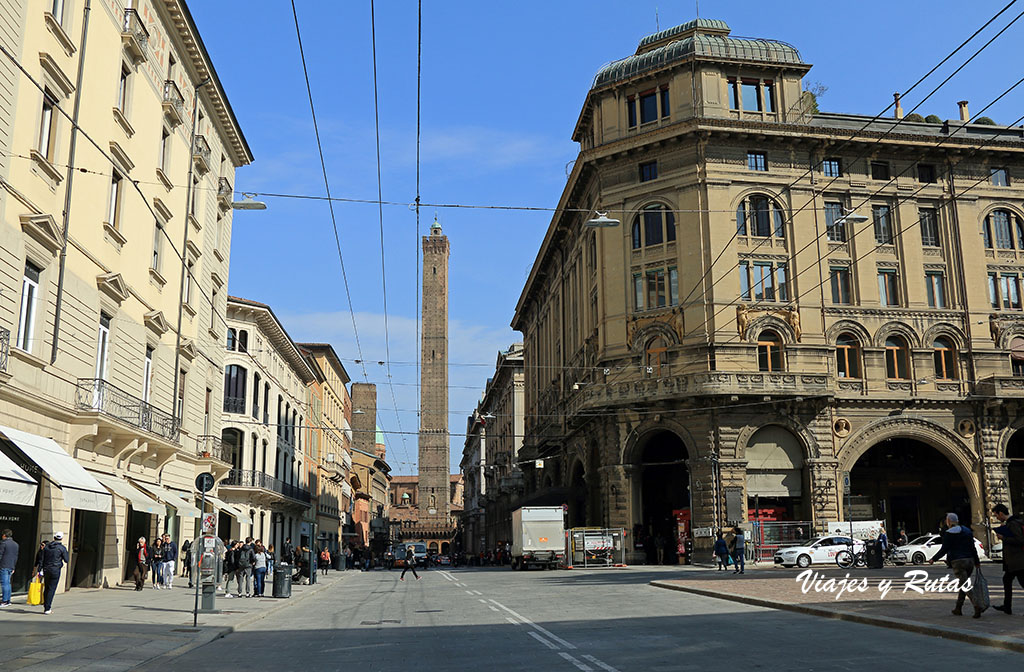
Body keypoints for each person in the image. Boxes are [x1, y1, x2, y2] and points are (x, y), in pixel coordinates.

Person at [930, 512, 985, 618]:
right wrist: (977, 562)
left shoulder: (949, 533)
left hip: (958, 561)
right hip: (970, 561)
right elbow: (972, 547)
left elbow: (944, 549)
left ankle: (977, 604)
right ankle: (958, 608)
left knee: (964, 585)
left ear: (948, 521)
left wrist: (934, 559)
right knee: (963, 584)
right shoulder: (967, 531)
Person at [991, 503, 1024, 615]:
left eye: (996, 515)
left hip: (1018, 560)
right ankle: (1007, 606)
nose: (997, 518)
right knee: (1006, 580)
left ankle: (1007, 606)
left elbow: (1019, 540)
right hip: (1014, 561)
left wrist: (1003, 537)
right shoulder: (1012, 523)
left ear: (1001, 513)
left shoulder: (1013, 524)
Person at [39, 532, 69, 614]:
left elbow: (42, 559)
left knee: (47, 587)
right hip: (55, 569)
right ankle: (47, 608)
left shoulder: (46, 547)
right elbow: (67, 559)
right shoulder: (62, 548)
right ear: (61, 538)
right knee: (52, 588)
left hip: (46, 569)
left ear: (54, 537)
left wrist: (40, 570)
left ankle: (46, 606)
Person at [0, 528, 19, 607]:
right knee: (8, 583)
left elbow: (0, 555)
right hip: (11, 565)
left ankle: (4, 601)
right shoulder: (15, 544)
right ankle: (8, 600)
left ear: (4, 535)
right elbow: (15, 556)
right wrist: (13, 566)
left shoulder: (3, 543)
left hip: (3, 565)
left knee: (4, 583)